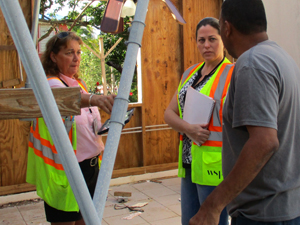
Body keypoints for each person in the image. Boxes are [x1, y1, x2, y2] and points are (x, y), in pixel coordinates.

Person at [190, 0, 300, 225]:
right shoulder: (283, 59)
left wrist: (213, 205)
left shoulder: (252, 63)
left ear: (227, 28)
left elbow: (264, 142)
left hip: (262, 213)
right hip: (287, 206)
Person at [26, 31, 115, 225]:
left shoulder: (78, 84)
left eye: (79, 52)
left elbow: (87, 126)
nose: (76, 58)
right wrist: (96, 98)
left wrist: (111, 125)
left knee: (88, 220)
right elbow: (65, 98)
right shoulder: (50, 85)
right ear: (53, 56)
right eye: (69, 53)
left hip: (89, 167)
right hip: (65, 171)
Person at [164, 17, 234, 225]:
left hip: (216, 166)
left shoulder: (233, 73)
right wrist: (188, 129)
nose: (206, 45)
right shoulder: (190, 73)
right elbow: (169, 113)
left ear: (223, 39)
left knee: (213, 221)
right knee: (190, 221)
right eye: (201, 40)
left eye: (212, 39)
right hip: (190, 162)